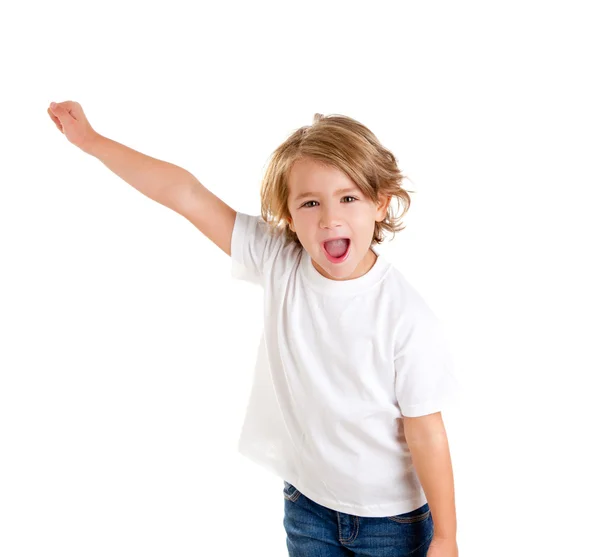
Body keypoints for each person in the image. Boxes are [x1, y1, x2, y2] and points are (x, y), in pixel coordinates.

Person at [48, 101, 460, 557]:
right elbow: (185, 193)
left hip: (391, 520)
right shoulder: (278, 259)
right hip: (307, 505)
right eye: (310, 202)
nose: (329, 218)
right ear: (287, 212)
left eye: (349, 197)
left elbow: (426, 431)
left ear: (380, 203)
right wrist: (92, 141)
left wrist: (445, 537)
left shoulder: (405, 318)